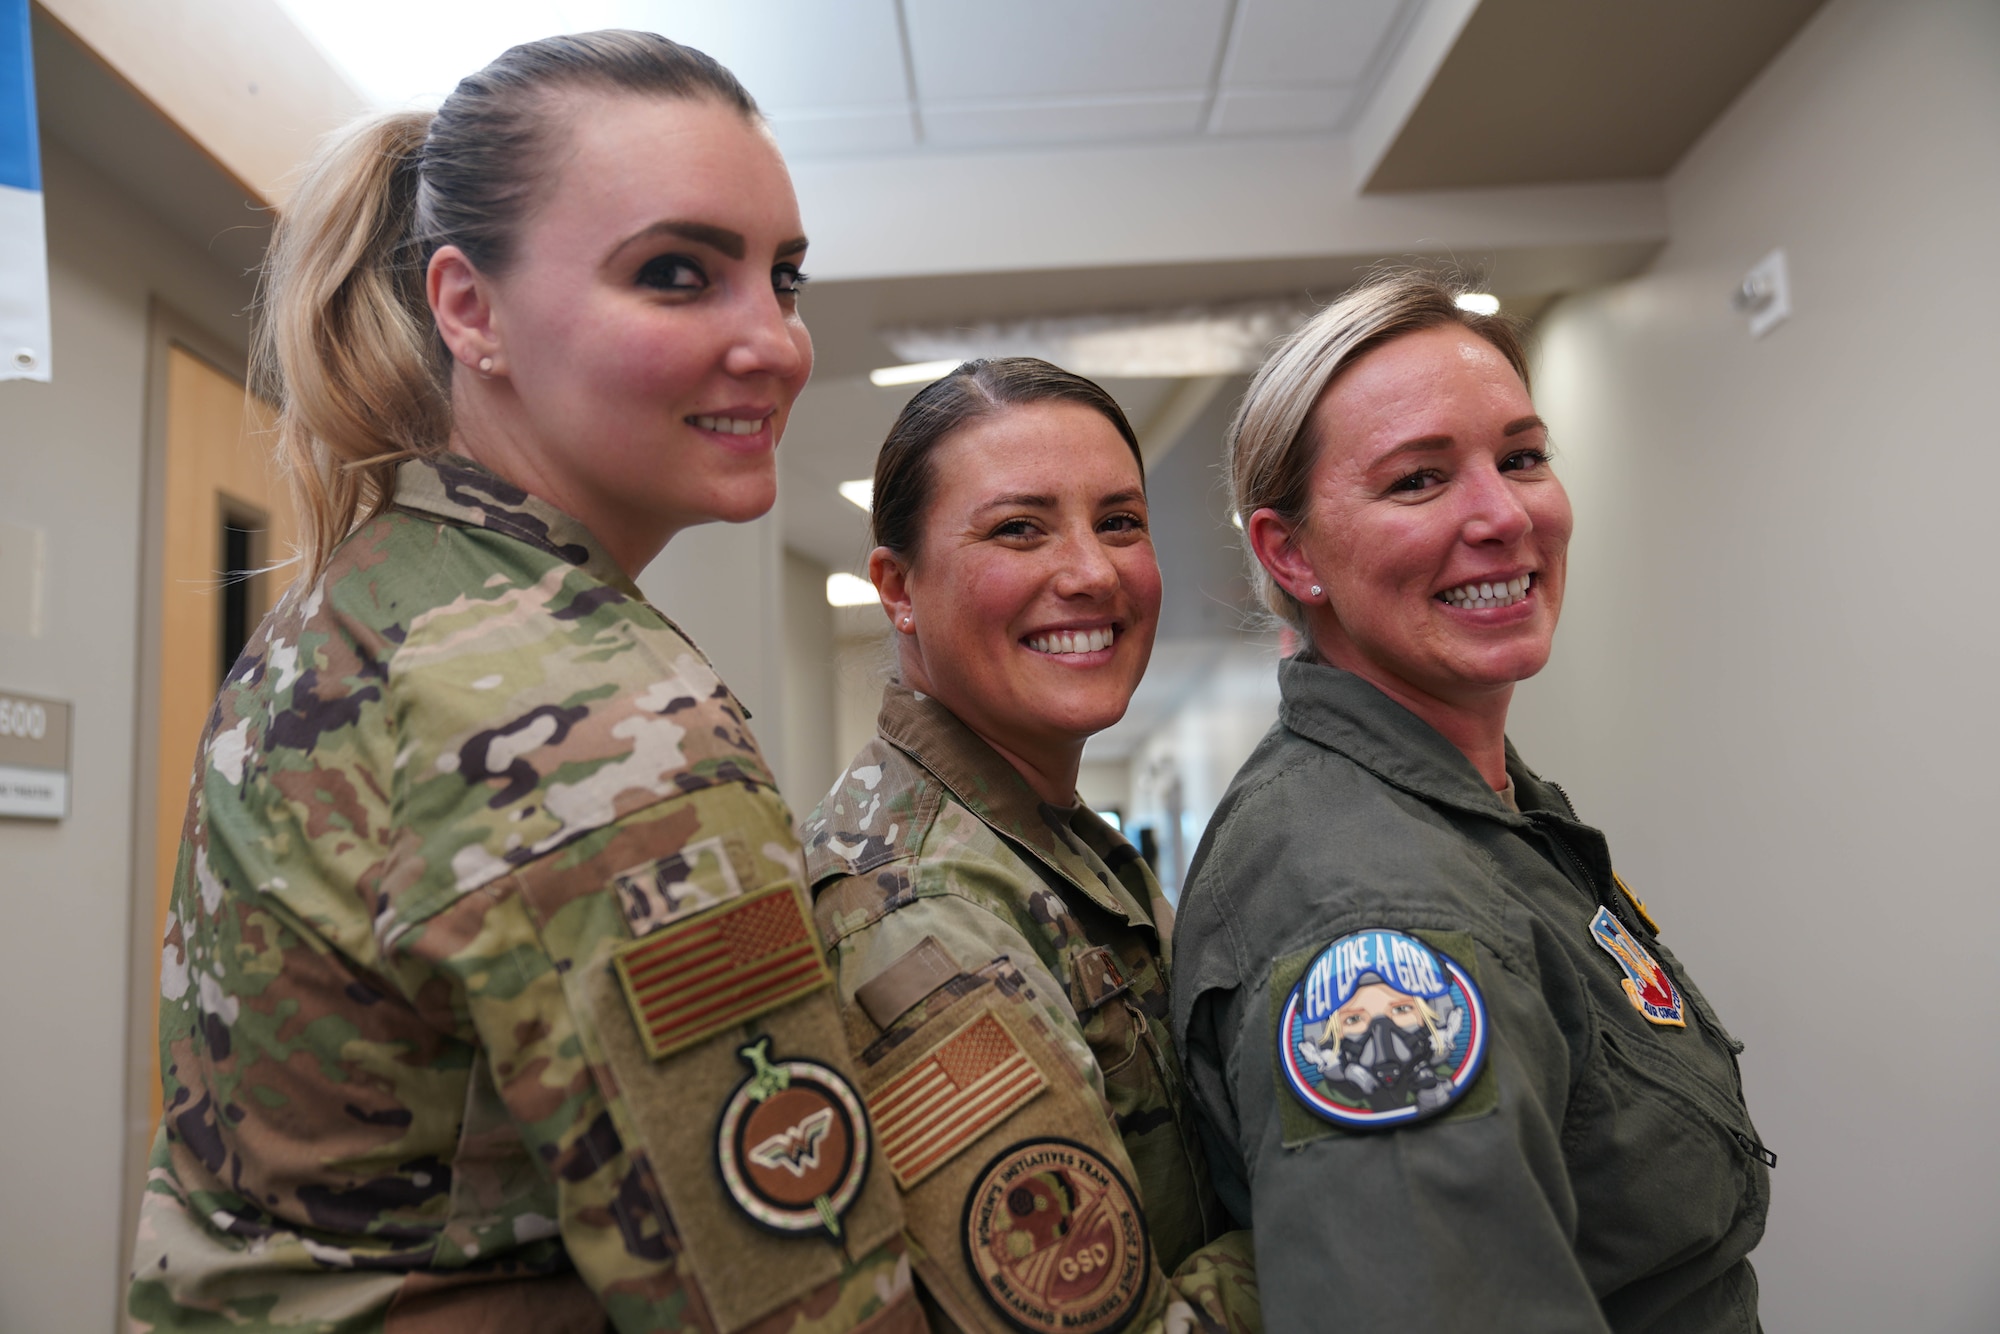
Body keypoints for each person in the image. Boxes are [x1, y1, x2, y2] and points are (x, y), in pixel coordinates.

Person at [128, 33, 921, 1332]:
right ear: (468, 308)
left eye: (782, 277)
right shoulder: (582, 704)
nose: (775, 341)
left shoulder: (375, 591)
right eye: (677, 275)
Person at [1169, 273, 1771, 1332]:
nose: (1501, 514)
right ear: (1289, 553)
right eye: (1417, 480)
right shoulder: (1372, 915)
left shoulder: (1474, 802)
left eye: (1522, 456)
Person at [802, 359, 1259, 1334]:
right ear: (897, 587)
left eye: (1119, 520)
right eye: (1018, 527)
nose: (1090, 570)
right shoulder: (921, 908)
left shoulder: (1048, 838)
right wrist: (1337, 1177)